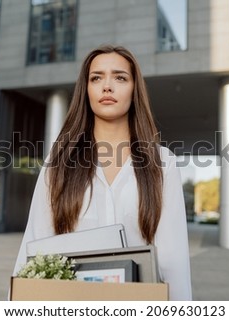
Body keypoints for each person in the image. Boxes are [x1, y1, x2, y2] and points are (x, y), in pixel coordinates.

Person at [12, 44, 192, 300]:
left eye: (120, 77)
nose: (107, 86)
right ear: (86, 90)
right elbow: (33, 247)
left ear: (134, 90)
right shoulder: (59, 162)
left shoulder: (163, 163)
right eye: (96, 78)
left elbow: (173, 261)